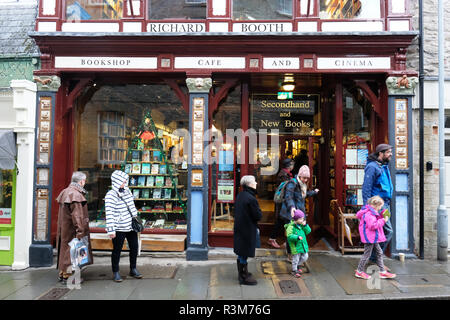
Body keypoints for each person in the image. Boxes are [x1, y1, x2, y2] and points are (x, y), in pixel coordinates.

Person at [105, 170, 143, 282]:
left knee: (134, 248)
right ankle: (116, 272)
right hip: (119, 227)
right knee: (117, 250)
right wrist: (111, 230)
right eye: (123, 180)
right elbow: (109, 213)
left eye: (125, 180)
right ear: (117, 181)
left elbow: (132, 207)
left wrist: (137, 222)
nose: (125, 182)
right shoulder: (110, 195)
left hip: (131, 226)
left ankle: (133, 268)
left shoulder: (127, 192)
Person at [56, 171, 93, 284]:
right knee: (71, 252)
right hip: (72, 229)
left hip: (65, 228)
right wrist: (80, 231)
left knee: (65, 250)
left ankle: (62, 273)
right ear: (81, 181)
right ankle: (68, 276)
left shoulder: (65, 191)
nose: (84, 183)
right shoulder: (75, 195)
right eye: (84, 181)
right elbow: (77, 216)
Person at [362, 144, 393, 265]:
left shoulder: (383, 166)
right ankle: (374, 258)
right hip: (378, 206)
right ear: (381, 153)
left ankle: (374, 257)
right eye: (388, 152)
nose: (390, 154)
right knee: (388, 231)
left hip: (385, 204)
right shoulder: (372, 167)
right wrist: (367, 207)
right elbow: (366, 188)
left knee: (382, 231)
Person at [355, 196, 396, 280]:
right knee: (367, 254)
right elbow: (373, 225)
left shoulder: (371, 212)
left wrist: (381, 215)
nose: (381, 208)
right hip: (370, 238)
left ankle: (382, 272)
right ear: (376, 206)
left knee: (379, 252)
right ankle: (359, 271)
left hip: (373, 237)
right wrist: (384, 220)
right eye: (381, 207)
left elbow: (375, 221)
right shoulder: (369, 214)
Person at [233, 175, 262, 285]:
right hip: (247, 229)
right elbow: (257, 215)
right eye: (255, 181)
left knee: (241, 252)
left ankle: (242, 273)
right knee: (244, 252)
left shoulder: (241, 195)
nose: (256, 183)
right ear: (249, 184)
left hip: (241, 228)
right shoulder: (251, 198)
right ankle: (243, 276)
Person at [267, 158, 294, 249]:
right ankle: (287, 242)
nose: (293, 166)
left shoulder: (285, 173)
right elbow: (287, 189)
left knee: (282, 220)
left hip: (284, 201)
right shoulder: (284, 175)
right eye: (292, 164)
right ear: (289, 166)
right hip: (283, 202)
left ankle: (273, 238)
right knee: (286, 220)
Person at [285, 209, 311, 278]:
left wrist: (305, 225)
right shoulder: (291, 227)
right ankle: (294, 270)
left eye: (303, 218)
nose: (303, 220)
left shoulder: (301, 225)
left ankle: (297, 265)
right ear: (296, 219)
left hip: (302, 245)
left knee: (305, 257)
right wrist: (297, 237)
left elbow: (308, 231)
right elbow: (289, 236)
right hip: (295, 246)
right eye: (301, 219)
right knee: (295, 259)